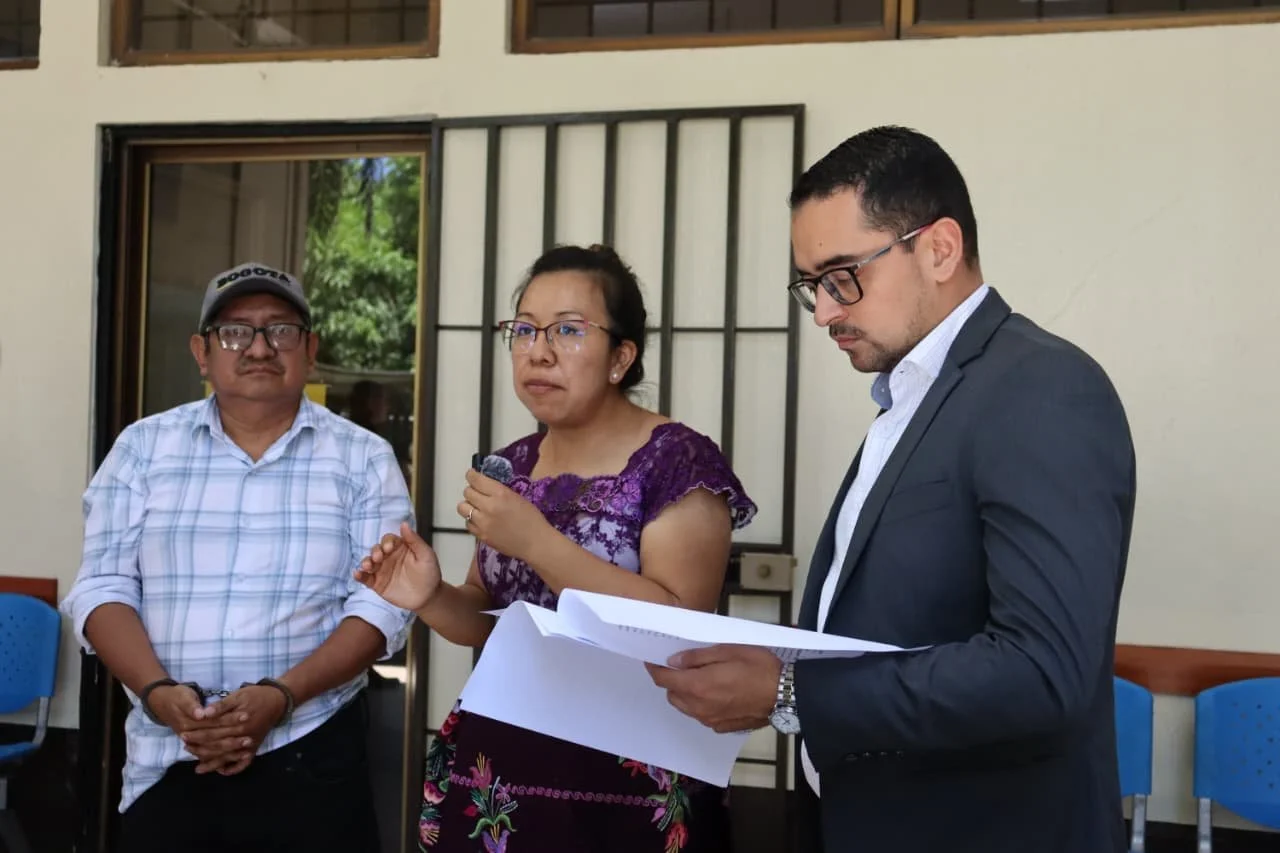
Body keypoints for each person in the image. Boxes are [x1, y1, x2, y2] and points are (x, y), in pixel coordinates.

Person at [647, 126, 1137, 853]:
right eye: (811, 284)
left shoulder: (1041, 387)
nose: (823, 312)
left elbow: (1042, 670)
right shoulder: (913, 395)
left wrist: (789, 692)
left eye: (844, 275)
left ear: (939, 248)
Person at [355, 244, 758, 853]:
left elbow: (675, 626)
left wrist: (537, 541)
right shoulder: (513, 462)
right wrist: (430, 596)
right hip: (504, 764)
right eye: (523, 329)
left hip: (628, 774)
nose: (538, 351)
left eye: (568, 330)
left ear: (622, 356)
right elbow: (488, 622)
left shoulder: (677, 460)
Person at [61, 261, 414, 853]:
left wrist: (281, 696)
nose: (258, 347)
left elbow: (384, 606)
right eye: (234, 332)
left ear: (310, 348)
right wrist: (160, 695)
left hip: (311, 751)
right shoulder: (143, 449)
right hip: (169, 754)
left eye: (280, 330)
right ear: (202, 352)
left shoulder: (364, 458)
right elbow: (102, 587)